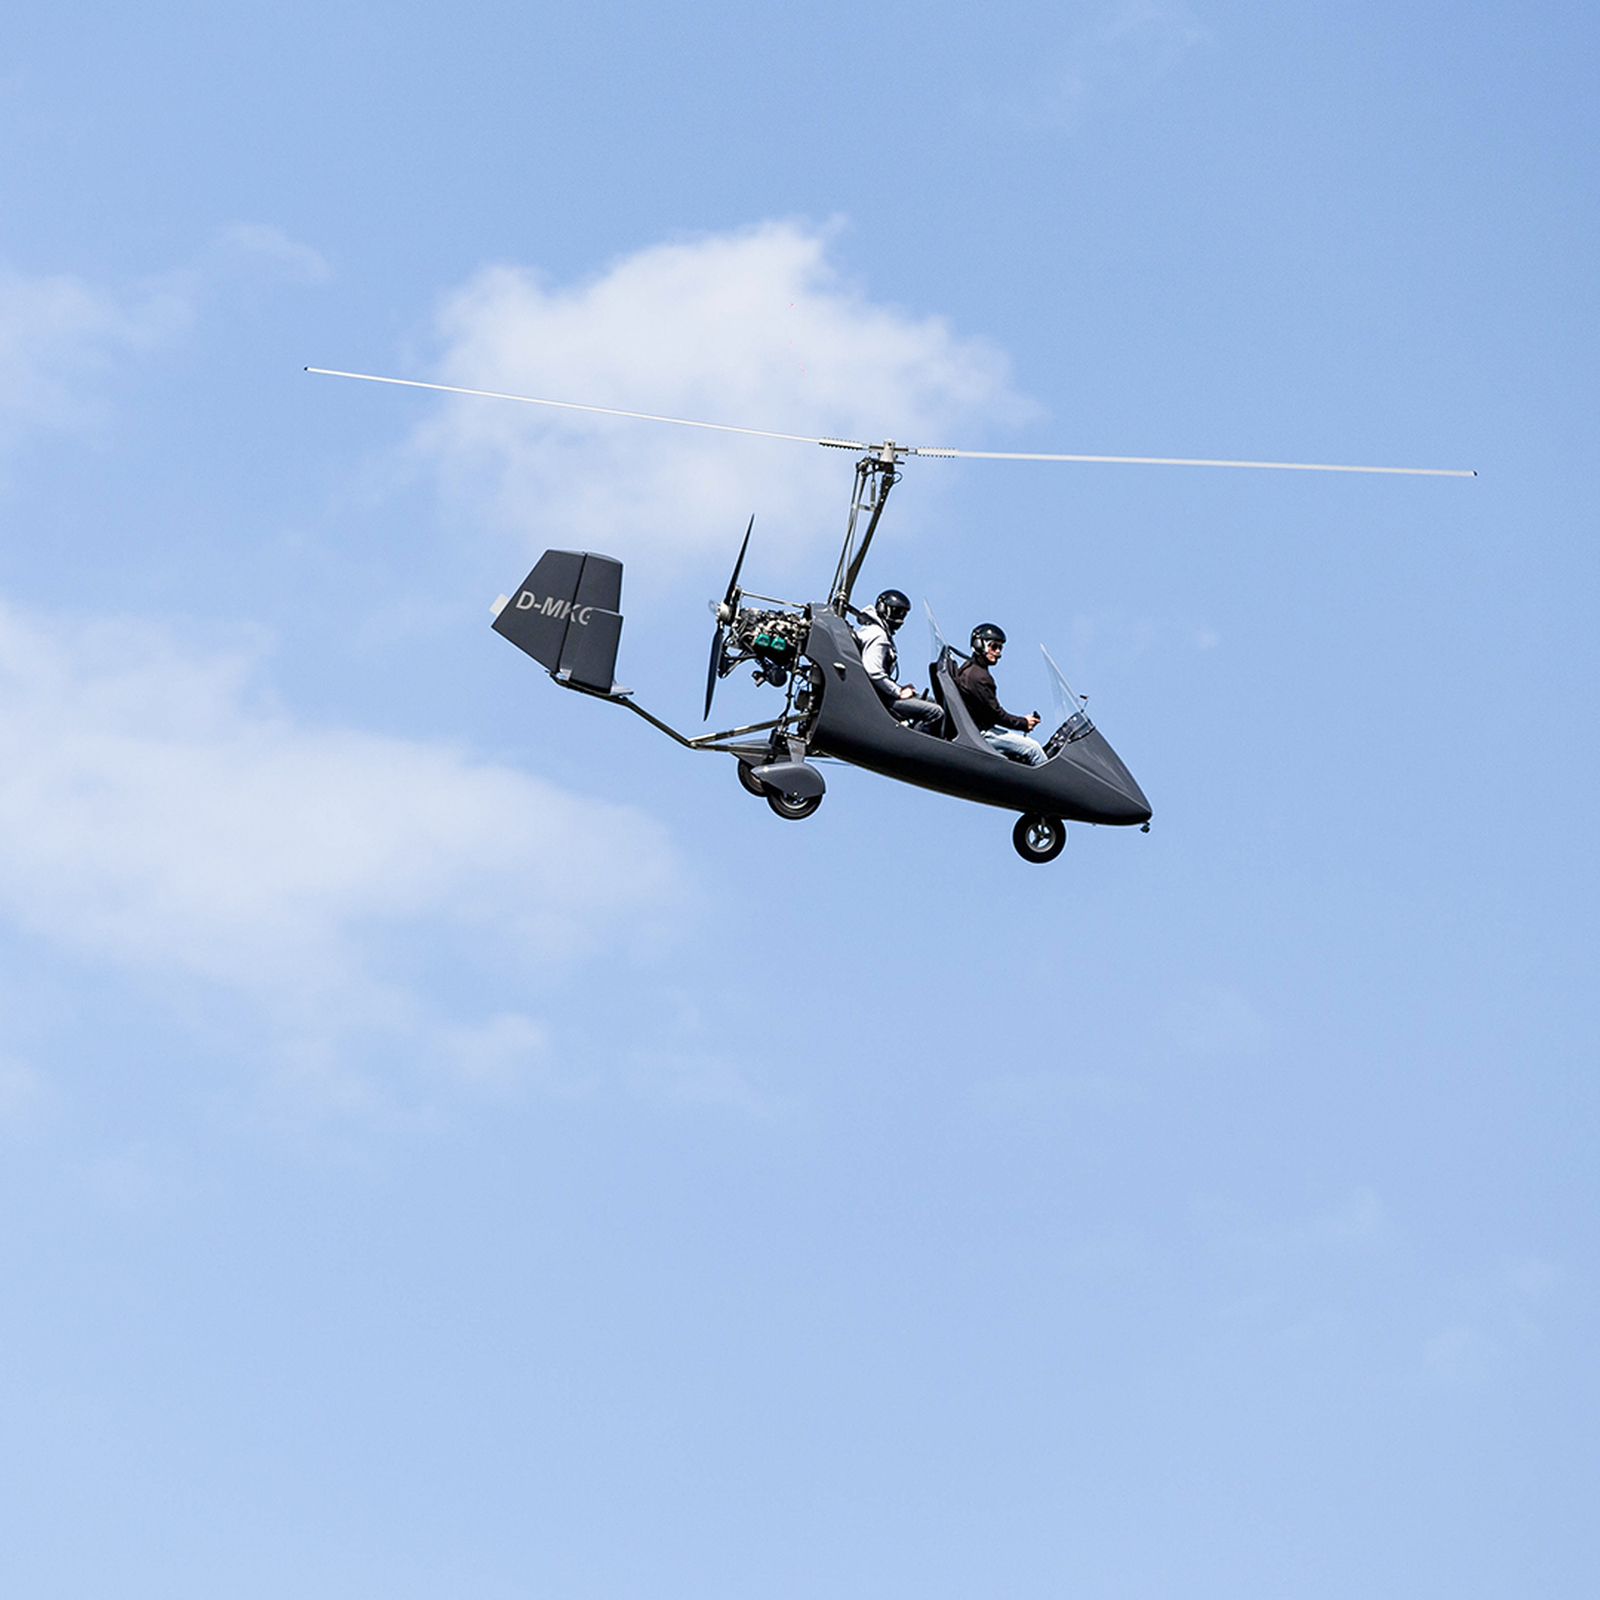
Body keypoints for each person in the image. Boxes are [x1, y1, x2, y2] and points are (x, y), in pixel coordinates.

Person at [955, 623, 1047, 765]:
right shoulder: (979, 677)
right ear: (979, 645)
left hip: (974, 729)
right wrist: (1023, 723)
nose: (998, 652)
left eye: (1000, 647)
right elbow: (996, 715)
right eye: (993, 647)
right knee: (1033, 748)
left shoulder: (969, 668)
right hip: (981, 734)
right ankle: (1050, 779)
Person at [855, 589, 945, 734]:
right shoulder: (878, 635)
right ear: (883, 608)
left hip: (881, 694)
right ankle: (915, 743)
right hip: (880, 699)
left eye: (904, 614)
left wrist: (900, 688)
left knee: (931, 702)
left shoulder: (876, 631)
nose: (901, 619)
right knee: (935, 712)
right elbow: (874, 673)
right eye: (897, 611)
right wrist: (898, 692)